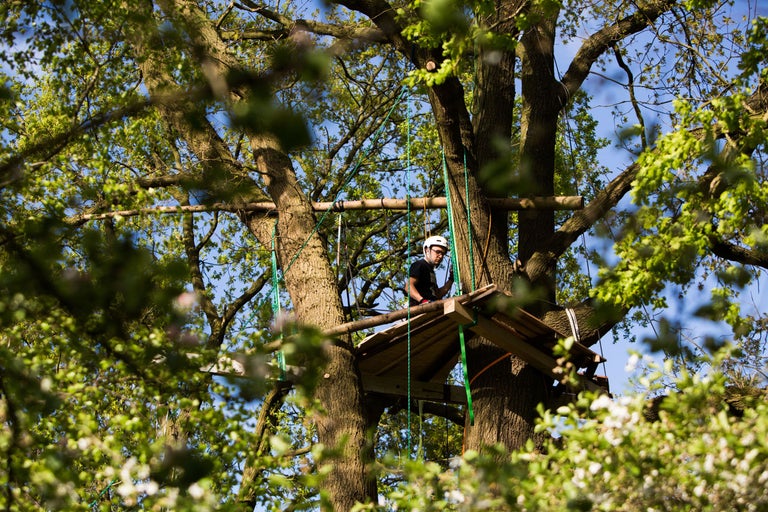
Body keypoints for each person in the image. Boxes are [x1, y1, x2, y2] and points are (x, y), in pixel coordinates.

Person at [408, 235, 454, 306]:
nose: (440, 256)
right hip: (420, 309)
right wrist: (422, 300)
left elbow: (438, 294)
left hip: (432, 306)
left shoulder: (431, 271)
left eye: (443, 253)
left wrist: (451, 279)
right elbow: (409, 286)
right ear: (427, 250)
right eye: (438, 252)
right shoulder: (420, 265)